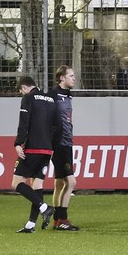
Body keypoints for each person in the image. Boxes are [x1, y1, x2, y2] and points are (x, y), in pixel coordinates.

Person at [10, 75, 58, 233]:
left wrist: (18, 143)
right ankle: (31, 225)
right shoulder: (50, 99)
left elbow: (24, 122)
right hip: (48, 148)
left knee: (16, 183)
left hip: (33, 147)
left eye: (21, 91)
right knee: (37, 185)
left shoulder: (28, 98)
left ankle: (45, 208)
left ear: (24, 87)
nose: (22, 94)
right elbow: (56, 125)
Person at [48, 66, 79, 231]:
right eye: (71, 76)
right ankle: (63, 219)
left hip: (66, 142)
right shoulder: (52, 96)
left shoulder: (68, 95)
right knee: (71, 182)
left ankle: (56, 219)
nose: (74, 78)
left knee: (60, 183)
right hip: (60, 143)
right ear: (61, 78)